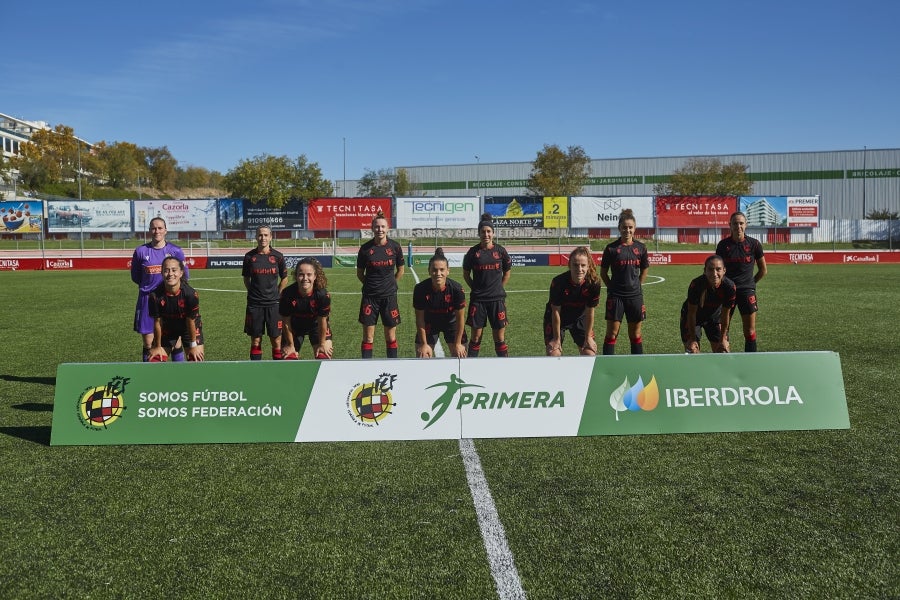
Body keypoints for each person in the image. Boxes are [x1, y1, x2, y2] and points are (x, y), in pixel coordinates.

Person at [131, 217, 188, 362]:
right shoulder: (140, 252)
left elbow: (184, 276)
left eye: (160, 228)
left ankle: (178, 377)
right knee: (149, 343)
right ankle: (150, 378)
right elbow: (136, 277)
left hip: (171, 300)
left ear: (166, 231)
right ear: (150, 230)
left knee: (176, 342)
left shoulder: (175, 251)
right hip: (147, 300)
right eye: (154, 228)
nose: (157, 231)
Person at [715, 211, 767, 352]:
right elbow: (717, 269)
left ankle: (751, 364)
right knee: (723, 332)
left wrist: (750, 284)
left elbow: (763, 270)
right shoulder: (723, 245)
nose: (738, 226)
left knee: (750, 332)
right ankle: (725, 364)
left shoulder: (754, 244)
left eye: (741, 223)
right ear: (729, 226)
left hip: (746, 292)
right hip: (726, 292)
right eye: (735, 223)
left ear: (746, 225)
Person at [600, 208, 649, 355]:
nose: (627, 230)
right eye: (624, 227)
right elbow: (603, 273)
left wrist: (637, 285)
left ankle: (637, 366)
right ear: (619, 228)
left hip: (635, 296)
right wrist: (612, 288)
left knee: (635, 335)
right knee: (612, 334)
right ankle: (608, 368)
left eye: (630, 227)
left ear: (634, 229)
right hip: (616, 297)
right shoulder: (611, 249)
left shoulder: (641, 248)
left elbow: (645, 269)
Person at [462, 213, 512, 357]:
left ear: (493, 233)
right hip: (478, 301)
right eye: (483, 231)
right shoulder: (472, 252)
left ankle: (504, 366)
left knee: (499, 337)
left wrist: (498, 288)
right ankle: (470, 368)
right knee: (476, 337)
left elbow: (507, 273)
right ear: (479, 233)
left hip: (497, 300)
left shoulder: (500, 251)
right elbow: (466, 275)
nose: (486, 234)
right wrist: (476, 289)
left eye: (489, 231)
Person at [356, 210, 404, 358]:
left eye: (382, 226)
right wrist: (372, 285)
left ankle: (392, 366)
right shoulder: (365, 249)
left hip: (389, 297)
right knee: (368, 337)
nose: (380, 229)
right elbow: (360, 274)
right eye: (377, 227)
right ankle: (366, 368)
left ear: (387, 228)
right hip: (370, 298)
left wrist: (389, 284)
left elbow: (401, 270)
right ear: (372, 228)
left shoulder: (395, 247)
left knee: (390, 337)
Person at [544, 246, 601, 356]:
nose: (579, 269)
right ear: (569, 265)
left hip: (580, 316)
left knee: (589, 353)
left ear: (588, 266)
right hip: (558, 316)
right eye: (575, 265)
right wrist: (556, 338)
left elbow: (590, 312)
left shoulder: (594, 283)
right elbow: (556, 311)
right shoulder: (558, 282)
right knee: (554, 353)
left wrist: (588, 337)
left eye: (583, 265)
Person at [243, 225, 289, 360]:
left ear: (270, 237)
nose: (263, 238)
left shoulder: (278, 257)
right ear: (256, 237)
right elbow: (246, 279)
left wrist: (277, 293)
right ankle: (256, 371)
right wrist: (252, 292)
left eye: (265, 235)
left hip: (274, 304)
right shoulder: (249, 257)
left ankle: (277, 372)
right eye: (260, 235)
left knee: (276, 341)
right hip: (255, 304)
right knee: (256, 341)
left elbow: (284, 278)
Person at [413, 248, 468, 358]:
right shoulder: (420, 289)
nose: (438, 273)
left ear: (448, 271)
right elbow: (420, 319)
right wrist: (424, 344)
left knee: (460, 354)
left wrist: (458, 344)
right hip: (430, 322)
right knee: (423, 355)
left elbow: (460, 319)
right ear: (429, 270)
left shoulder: (457, 289)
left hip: (451, 322)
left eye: (442, 269)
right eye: (434, 269)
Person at [147, 256, 204, 362]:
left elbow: (190, 321)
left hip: (189, 328)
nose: (170, 274)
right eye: (166, 270)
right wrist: (157, 346)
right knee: (155, 359)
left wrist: (193, 345)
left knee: (195, 359)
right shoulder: (154, 296)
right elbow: (158, 323)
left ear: (181, 273)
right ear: (161, 273)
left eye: (174, 270)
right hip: (168, 328)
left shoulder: (191, 294)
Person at [279, 257, 333, 360]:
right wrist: (290, 345)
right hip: (295, 326)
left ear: (315, 276)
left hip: (316, 325)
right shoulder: (287, 294)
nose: (305, 278)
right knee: (289, 357)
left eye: (309, 274)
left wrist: (322, 344)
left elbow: (322, 321)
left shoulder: (322, 295)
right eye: (301, 274)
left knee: (323, 355)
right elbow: (286, 322)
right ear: (296, 276)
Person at [681, 255, 737, 354]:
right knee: (692, 351)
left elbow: (725, 314)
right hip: (694, 317)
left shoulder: (730, 287)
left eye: (718, 269)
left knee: (722, 351)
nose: (714, 274)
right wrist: (693, 339)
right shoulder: (696, 284)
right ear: (705, 271)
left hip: (715, 316)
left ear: (724, 270)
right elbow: (691, 313)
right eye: (710, 269)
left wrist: (723, 338)